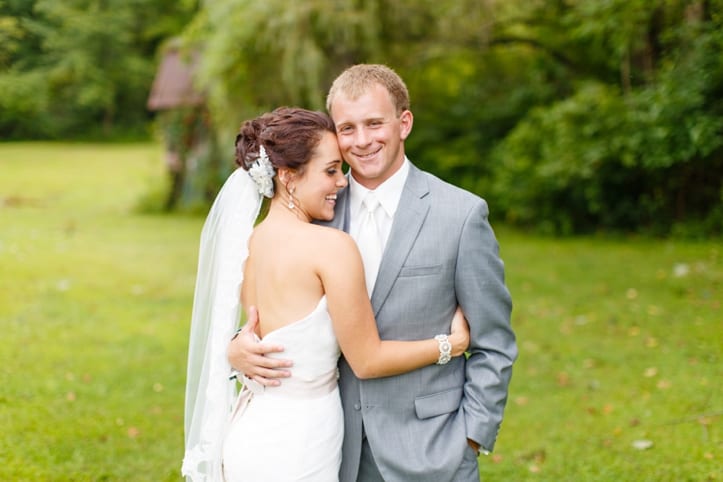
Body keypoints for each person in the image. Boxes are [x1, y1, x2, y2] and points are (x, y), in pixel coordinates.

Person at [229, 64, 518, 482]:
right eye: (347, 128)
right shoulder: (316, 212)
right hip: (334, 449)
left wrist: (471, 437)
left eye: (374, 124)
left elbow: (495, 343)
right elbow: (276, 313)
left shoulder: (461, 215)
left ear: (404, 123)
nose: (362, 141)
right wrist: (237, 347)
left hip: (432, 449)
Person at [181, 107, 471, 482]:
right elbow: (367, 360)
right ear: (287, 176)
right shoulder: (331, 247)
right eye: (331, 170)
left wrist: (235, 346)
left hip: (250, 432)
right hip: (300, 441)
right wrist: (451, 344)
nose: (343, 182)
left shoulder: (249, 244)